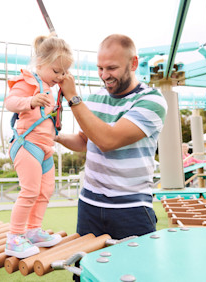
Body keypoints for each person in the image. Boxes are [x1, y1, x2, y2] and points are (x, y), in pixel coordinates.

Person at [56, 34, 168, 240]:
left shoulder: (152, 100)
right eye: (100, 68)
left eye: (111, 68)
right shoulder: (95, 98)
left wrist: (73, 98)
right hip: (89, 204)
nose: (104, 75)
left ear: (133, 63)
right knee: (86, 271)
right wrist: (55, 136)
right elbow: (84, 141)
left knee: (136, 271)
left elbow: (108, 141)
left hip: (131, 207)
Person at [4, 34, 74, 259]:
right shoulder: (28, 81)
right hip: (27, 145)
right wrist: (30, 102)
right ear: (41, 64)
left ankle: (33, 231)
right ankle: (15, 237)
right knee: (30, 191)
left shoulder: (51, 89)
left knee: (45, 191)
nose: (60, 76)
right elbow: (10, 102)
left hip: (45, 148)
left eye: (64, 72)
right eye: (56, 71)